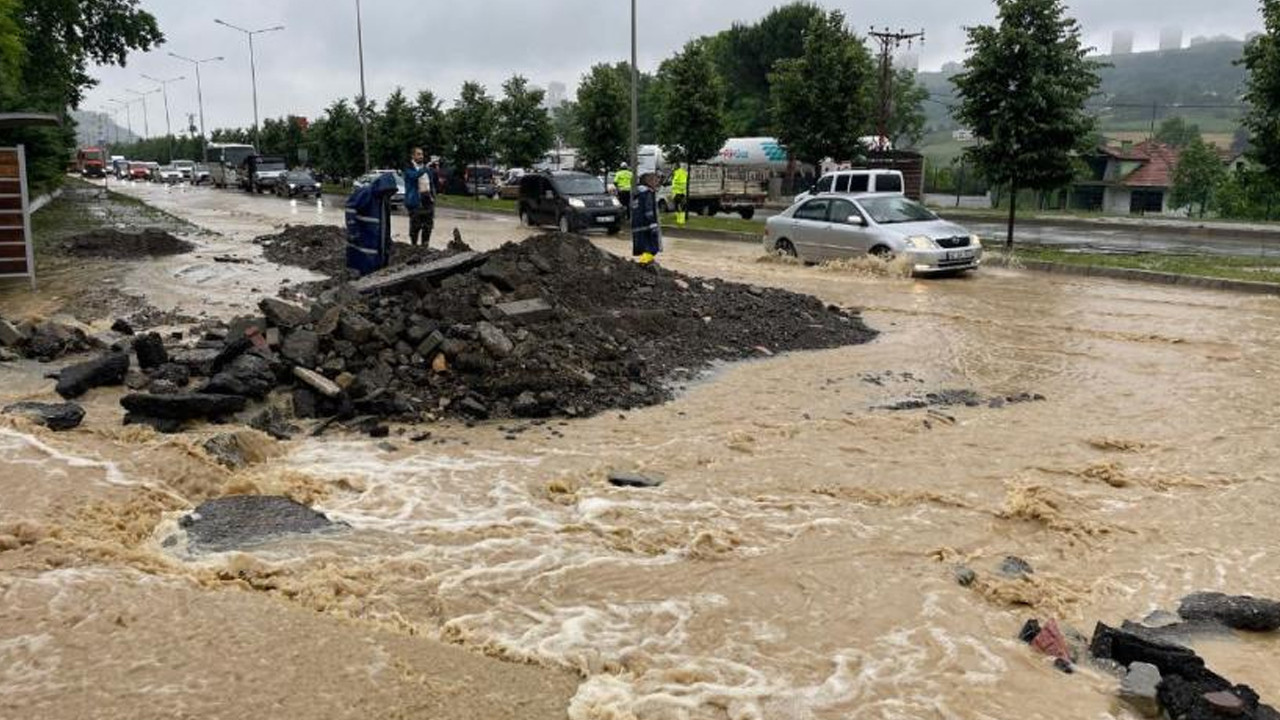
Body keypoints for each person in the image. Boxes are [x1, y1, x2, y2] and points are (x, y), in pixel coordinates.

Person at [404, 147, 437, 247]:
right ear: (413, 156)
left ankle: (425, 246)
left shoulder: (426, 169)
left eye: (422, 154)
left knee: (428, 226)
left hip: (427, 199)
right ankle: (414, 246)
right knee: (415, 226)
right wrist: (425, 169)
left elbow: (430, 183)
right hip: (415, 200)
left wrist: (433, 196)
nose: (421, 157)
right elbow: (414, 176)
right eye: (418, 154)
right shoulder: (409, 168)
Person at [631, 172, 662, 265]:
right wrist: (653, 224)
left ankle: (645, 263)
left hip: (638, 225)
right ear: (648, 181)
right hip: (647, 226)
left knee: (644, 248)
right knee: (651, 248)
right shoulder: (647, 193)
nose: (657, 181)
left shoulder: (636, 193)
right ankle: (644, 264)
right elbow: (649, 210)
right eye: (654, 179)